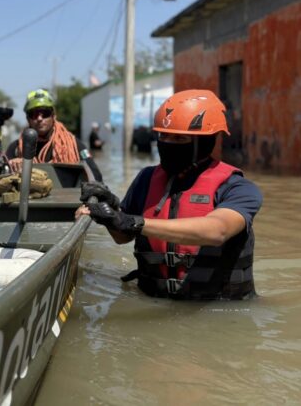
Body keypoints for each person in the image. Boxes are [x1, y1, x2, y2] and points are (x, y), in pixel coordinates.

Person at [76, 89, 262, 300]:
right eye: (163, 136)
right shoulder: (146, 179)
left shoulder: (237, 187)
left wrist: (134, 222)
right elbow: (122, 237)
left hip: (220, 311)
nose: (168, 144)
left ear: (205, 141)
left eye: (179, 138)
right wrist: (109, 212)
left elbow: (217, 231)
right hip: (154, 303)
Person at [4, 89, 102, 180]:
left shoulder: (74, 145)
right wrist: (13, 165)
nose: (39, 118)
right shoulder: (16, 148)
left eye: (45, 113)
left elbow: (96, 176)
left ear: (53, 116)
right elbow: (0, 179)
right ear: (28, 119)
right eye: (34, 114)